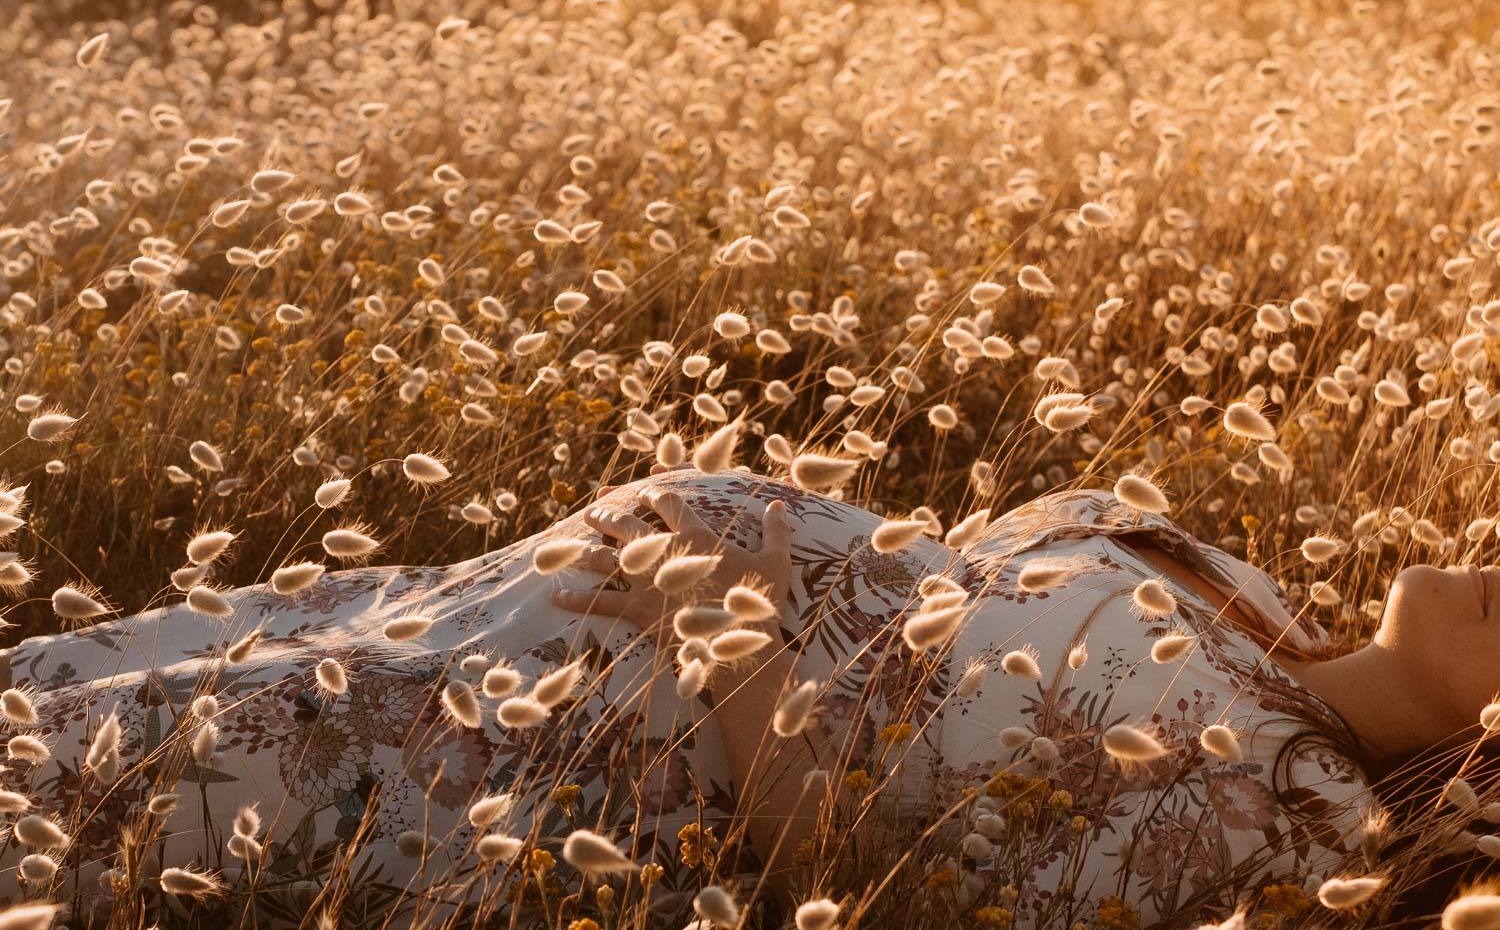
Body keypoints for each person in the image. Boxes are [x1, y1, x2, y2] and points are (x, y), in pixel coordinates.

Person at [0, 467, 1485, 925]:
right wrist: (728, 535)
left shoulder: (1282, 829)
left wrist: (722, 622)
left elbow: (868, 889)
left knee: (110, 792)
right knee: (124, 676)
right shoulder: (1253, 593)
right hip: (539, 597)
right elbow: (946, 583)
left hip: (574, 756)